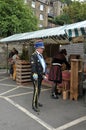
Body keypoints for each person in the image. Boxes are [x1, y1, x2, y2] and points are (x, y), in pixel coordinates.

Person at [30, 41, 47, 112]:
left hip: (40, 75)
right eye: (41, 48)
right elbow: (33, 66)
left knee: (39, 89)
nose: (43, 49)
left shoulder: (40, 55)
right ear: (37, 48)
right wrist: (34, 74)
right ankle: (34, 105)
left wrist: (44, 73)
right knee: (36, 90)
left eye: (43, 48)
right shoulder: (33, 55)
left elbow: (42, 64)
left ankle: (37, 101)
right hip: (36, 76)